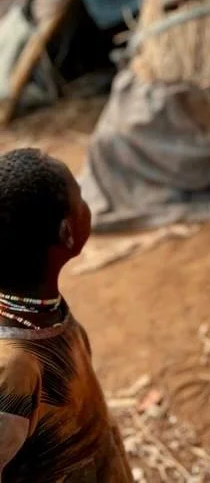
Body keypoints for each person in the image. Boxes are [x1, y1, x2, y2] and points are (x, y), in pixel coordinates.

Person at [0, 148, 133, 481]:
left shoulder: (40, 308)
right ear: (67, 233)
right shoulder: (14, 368)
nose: (86, 207)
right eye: (81, 200)